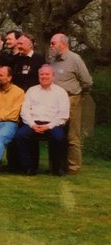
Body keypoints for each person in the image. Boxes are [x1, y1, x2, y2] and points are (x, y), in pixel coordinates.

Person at [49, 33, 93, 175]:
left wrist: (79, 95)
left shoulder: (75, 59)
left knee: (72, 135)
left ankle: (73, 167)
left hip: (71, 100)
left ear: (63, 44)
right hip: (54, 102)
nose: (51, 46)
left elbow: (87, 81)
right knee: (55, 133)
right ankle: (56, 165)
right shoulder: (52, 61)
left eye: (53, 43)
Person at [15, 64, 70, 176]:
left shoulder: (61, 92)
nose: (44, 76)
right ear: (38, 76)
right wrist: (32, 124)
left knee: (59, 137)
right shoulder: (31, 90)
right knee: (20, 135)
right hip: (33, 122)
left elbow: (63, 114)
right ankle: (29, 166)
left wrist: (48, 126)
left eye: (47, 74)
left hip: (53, 123)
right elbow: (24, 111)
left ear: (53, 76)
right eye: (42, 74)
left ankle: (58, 168)